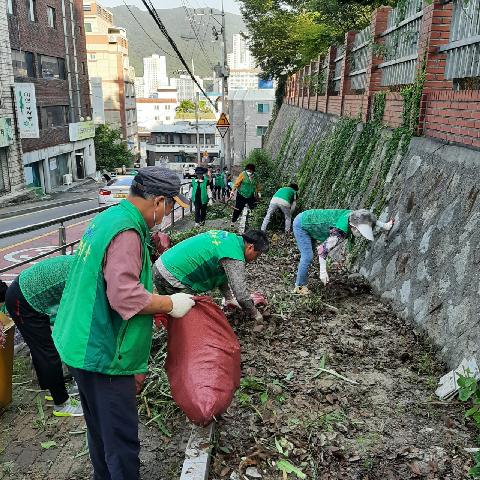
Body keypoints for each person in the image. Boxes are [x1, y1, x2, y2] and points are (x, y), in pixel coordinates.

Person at [52, 167, 196, 480]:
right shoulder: (127, 233)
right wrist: (171, 304)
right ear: (159, 202)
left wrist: (154, 296)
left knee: (101, 432)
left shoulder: (110, 218)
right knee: (120, 441)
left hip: (77, 342)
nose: (168, 213)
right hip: (101, 352)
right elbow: (125, 296)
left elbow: (116, 279)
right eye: (171, 206)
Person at [4, 256, 82, 416]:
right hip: (22, 300)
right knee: (46, 352)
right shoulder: (83, 275)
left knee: (42, 348)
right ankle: (61, 403)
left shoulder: (83, 262)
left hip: (26, 294)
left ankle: (52, 389)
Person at [154, 229, 269, 321]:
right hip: (173, 277)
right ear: (250, 247)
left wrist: (228, 298)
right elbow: (241, 295)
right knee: (188, 318)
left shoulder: (228, 238)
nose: (255, 259)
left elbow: (222, 273)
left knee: (172, 310)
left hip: (160, 266)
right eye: (257, 255)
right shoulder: (234, 256)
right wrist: (255, 314)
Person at [292, 209, 394, 295]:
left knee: (310, 254)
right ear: (352, 227)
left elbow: (369, 218)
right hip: (302, 224)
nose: (361, 234)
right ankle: (299, 287)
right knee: (307, 256)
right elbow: (322, 250)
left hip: (310, 221)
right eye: (360, 232)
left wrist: (385, 226)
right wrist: (323, 271)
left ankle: (304, 277)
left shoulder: (356, 216)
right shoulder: (339, 232)